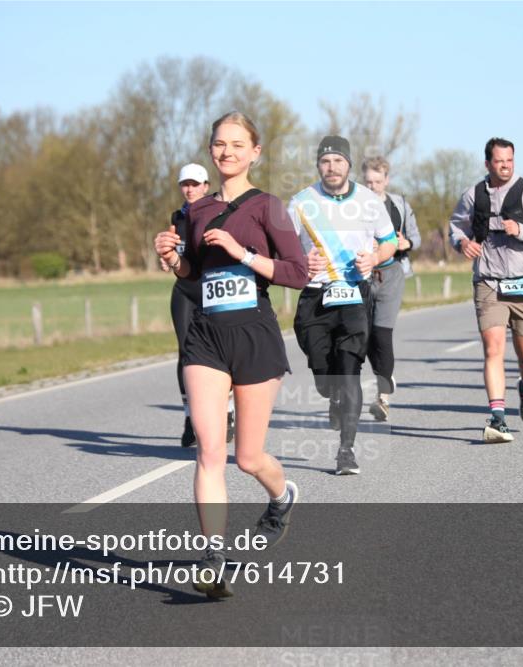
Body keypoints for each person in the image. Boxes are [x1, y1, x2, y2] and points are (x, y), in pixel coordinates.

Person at [153, 111, 309, 597]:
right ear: (211, 150)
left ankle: (282, 497)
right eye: (220, 144)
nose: (227, 152)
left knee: (247, 456)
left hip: (253, 333)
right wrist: (172, 259)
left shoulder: (268, 207)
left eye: (237, 145)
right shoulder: (195, 210)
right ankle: (213, 560)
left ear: (255, 152)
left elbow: (297, 272)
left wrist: (242, 253)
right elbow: (193, 277)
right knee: (209, 450)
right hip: (206, 336)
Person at [290, 136, 397, 475]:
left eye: (338, 161)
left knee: (350, 372)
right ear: (318, 165)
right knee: (325, 377)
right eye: (325, 161)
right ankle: (330, 392)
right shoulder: (301, 203)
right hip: (315, 296)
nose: (332, 167)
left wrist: (374, 258)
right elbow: (280, 248)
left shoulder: (368, 201)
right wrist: (300, 260)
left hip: (354, 294)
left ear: (349, 165)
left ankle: (346, 451)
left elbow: (390, 241)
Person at [449, 137, 523, 443]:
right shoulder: (473, 195)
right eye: (499, 161)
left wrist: (522, 230)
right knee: (493, 348)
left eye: (510, 160)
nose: (505, 165)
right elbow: (456, 226)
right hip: (489, 282)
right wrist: (462, 242)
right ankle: (498, 419)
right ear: (487, 163)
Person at [165, 164, 236, 447]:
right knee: (185, 353)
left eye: (196, 184)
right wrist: (167, 258)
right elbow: (176, 255)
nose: (190, 189)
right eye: (185, 184)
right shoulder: (177, 217)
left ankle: (227, 410)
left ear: (207, 186)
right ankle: (189, 418)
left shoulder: (218, 212)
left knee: (223, 352)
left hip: (214, 289)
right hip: (185, 290)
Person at [361, 156, 422, 421]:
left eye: (377, 181)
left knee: (382, 334)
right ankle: (384, 375)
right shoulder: (353, 206)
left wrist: (403, 242)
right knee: (363, 336)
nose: (373, 186)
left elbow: (415, 239)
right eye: (368, 181)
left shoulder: (399, 205)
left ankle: (382, 398)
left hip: (391, 274)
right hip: (360, 276)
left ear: (386, 180)